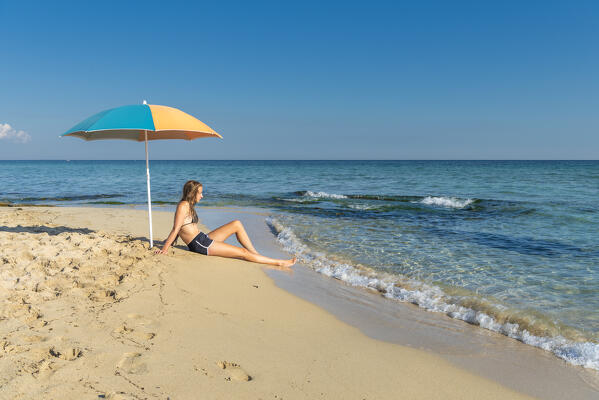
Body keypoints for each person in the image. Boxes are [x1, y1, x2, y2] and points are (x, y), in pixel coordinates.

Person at [154, 180, 296, 269]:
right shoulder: (184, 205)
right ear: (193, 193)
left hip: (203, 239)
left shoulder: (188, 205)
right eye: (200, 193)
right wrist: (165, 249)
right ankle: (278, 262)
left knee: (236, 224)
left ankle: (256, 255)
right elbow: (176, 229)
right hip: (200, 244)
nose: (202, 196)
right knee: (242, 253)